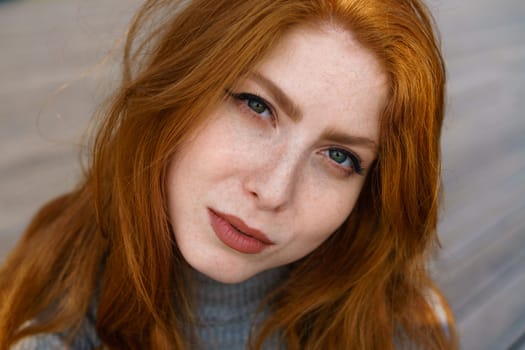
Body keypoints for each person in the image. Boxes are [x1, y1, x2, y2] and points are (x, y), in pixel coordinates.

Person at [0, 0, 458, 349]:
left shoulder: (403, 327)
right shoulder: (51, 300)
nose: (274, 192)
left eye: (339, 157)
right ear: (183, 87)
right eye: (257, 107)